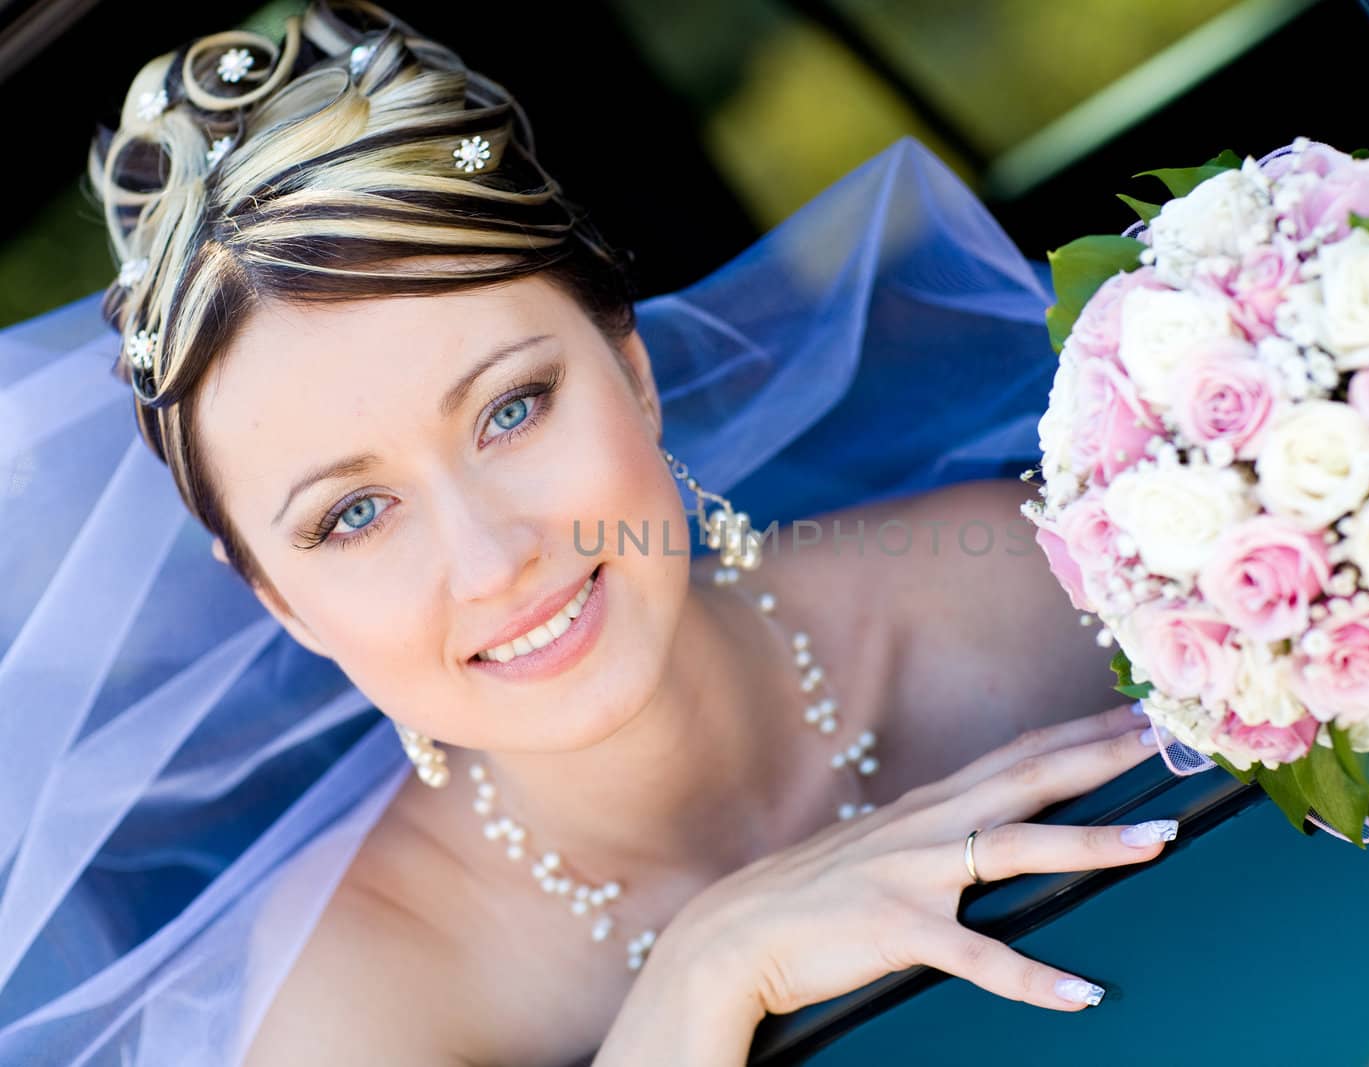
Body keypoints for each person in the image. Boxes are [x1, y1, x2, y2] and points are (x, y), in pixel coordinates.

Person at [0, 2, 1178, 1063]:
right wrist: (704, 972)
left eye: (510, 409)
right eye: (352, 513)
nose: (489, 556)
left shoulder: (1042, 591)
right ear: (280, 601)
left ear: (632, 371)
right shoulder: (362, 994)